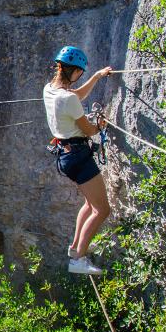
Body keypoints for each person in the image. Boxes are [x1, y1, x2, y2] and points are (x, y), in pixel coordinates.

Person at [43, 46, 113, 275]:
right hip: (78, 156)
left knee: (89, 204)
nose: (79, 78)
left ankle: (74, 248)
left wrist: (97, 76)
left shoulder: (50, 90)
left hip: (65, 156)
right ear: (75, 72)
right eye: (80, 74)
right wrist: (102, 124)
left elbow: (76, 96)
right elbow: (90, 130)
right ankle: (79, 259)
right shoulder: (67, 98)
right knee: (102, 210)